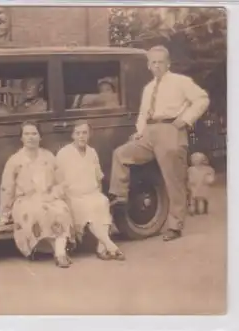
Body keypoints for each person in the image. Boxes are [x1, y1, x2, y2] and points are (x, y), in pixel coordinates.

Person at [108, 45, 210, 241]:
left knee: (173, 180)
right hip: (149, 132)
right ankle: (119, 197)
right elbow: (143, 113)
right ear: (148, 65)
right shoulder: (148, 88)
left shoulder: (181, 82)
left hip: (171, 129)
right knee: (121, 154)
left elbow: (202, 99)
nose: (156, 66)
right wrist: (139, 133)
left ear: (168, 63)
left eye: (160, 62)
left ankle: (175, 226)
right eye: (153, 62)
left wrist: (185, 119)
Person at [0, 121, 76, 268]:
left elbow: (61, 180)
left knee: (61, 210)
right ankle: (59, 252)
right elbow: (7, 188)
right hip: (25, 200)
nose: (30, 137)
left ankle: (60, 252)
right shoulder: (15, 161)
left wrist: (56, 194)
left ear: (40, 137)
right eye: (26, 134)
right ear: (21, 138)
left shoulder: (48, 157)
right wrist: (4, 213)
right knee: (37, 212)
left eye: (34, 134)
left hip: (48, 196)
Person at [56, 120, 125, 261]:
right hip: (74, 196)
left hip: (91, 193)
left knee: (102, 202)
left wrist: (98, 193)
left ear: (89, 135)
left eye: (84, 133)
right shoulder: (64, 154)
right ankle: (110, 246)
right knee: (90, 207)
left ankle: (101, 247)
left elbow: (98, 177)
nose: (81, 136)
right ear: (72, 135)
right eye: (78, 133)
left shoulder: (92, 152)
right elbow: (59, 180)